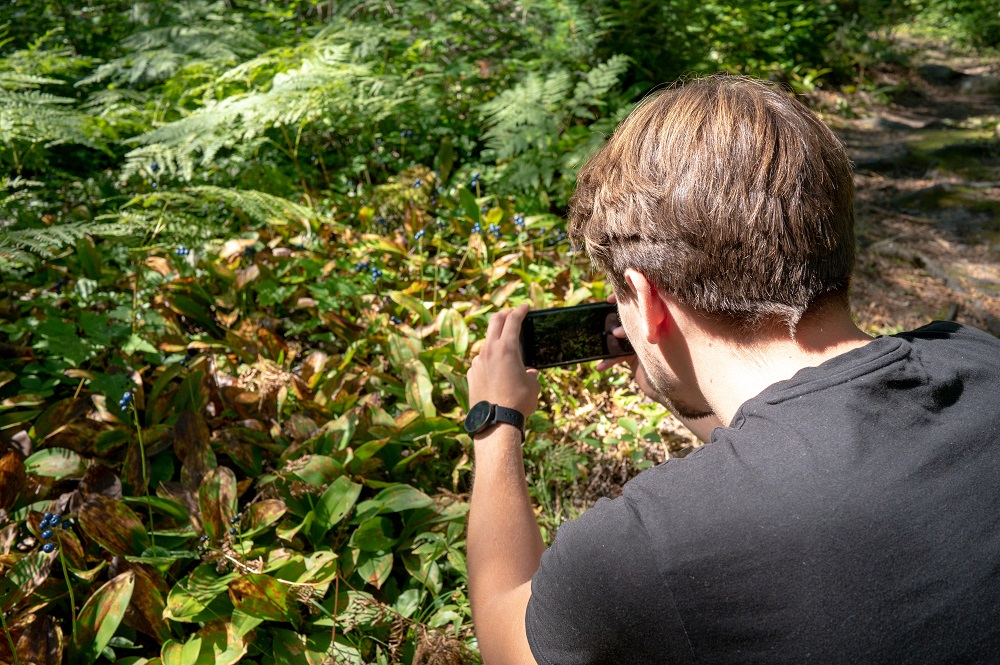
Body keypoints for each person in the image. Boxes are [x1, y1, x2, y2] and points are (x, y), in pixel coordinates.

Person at [463, 74, 1000, 664]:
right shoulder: (975, 357)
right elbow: (809, 448)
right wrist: (685, 393)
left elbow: (503, 637)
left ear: (645, 300)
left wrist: (496, 420)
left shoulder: (650, 546)